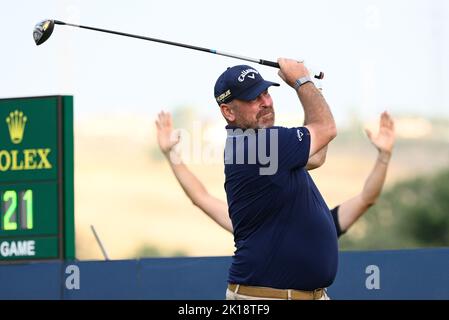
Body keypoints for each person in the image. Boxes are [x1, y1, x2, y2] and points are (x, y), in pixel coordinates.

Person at [158, 58, 338, 300]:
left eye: (266, 93)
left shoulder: (253, 147)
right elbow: (326, 128)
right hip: (267, 297)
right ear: (228, 111)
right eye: (253, 98)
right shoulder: (263, 145)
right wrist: (302, 81)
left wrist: (172, 154)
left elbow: (317, 155)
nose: (265, 103)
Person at [156, 110, 395, 237]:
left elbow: (367, 198)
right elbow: (201, 197)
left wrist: (384, 156)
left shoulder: (324, 225)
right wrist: (171, 155)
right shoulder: (256, 223)